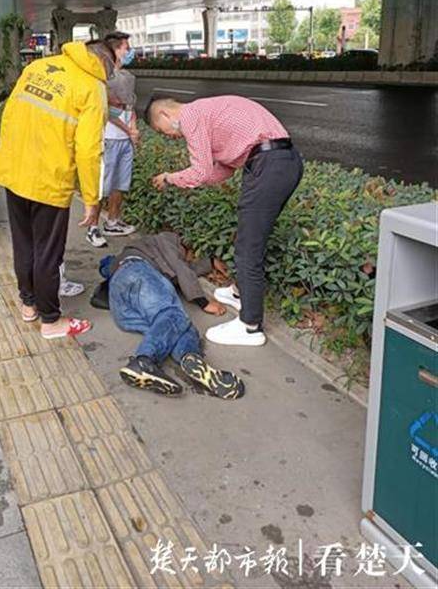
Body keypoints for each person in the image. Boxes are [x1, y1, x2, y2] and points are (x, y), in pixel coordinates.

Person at [145, 96, 303, 347]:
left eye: (159, 130)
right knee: (248, 237)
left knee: (248, 248)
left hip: (268, 164)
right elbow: (223, 170)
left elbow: (200, 172)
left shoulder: (190, 116)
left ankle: (250, 327)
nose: (167, 136)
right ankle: (239, 293)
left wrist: (170, 178)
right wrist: (187, 179)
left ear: (164, 114)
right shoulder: (206, 111)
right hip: (281, 162)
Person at [0, 39, 113, 339]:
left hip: (15, 171)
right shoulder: (92, 88)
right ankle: (50, 320)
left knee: (25, 244)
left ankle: (29, 304)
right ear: (104, 63)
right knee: (47, 252)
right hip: (49, 181)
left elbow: (9, 115)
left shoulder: (36, 67)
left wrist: (10, 157)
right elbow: (88, 150)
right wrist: (92, 200)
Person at [95, 231, 244, 399]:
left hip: (121, 306)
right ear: (183, 243)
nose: (190, 259)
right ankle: (143, 360)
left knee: (174, 327)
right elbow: (181, 269)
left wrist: (210, 263)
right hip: (137, 272)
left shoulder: (159, 257)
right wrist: (204, 302)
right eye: (190, 255)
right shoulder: (167, 239)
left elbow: (184, 270)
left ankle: (189, 357)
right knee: (174, 315)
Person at [86, 31, 139, 248]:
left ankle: (113, 221)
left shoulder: (126, 77)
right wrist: (128, 129)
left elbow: (130, 106)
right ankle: (92, 227)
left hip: (125, 140)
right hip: (108, 138)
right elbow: (105, 110)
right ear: (115, 50)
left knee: (120, 184)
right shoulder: (102, 78)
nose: (129, 51)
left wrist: (133, 127)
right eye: (126, 48)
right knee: (101, 187)